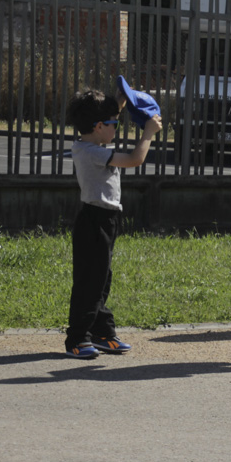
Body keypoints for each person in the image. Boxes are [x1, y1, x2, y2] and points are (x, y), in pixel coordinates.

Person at [65, 86, 163, 358]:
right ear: (98, 127)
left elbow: (103, 123)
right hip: (94, 221)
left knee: (102, 279)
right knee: (90, 282)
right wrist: (148, 133)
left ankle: (101, 332)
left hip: (105, 219)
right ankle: (77, 339)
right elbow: (134, 159)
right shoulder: (90, 152)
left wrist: (120, 104)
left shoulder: (92, 142)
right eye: (114, 124)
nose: (116, 128)